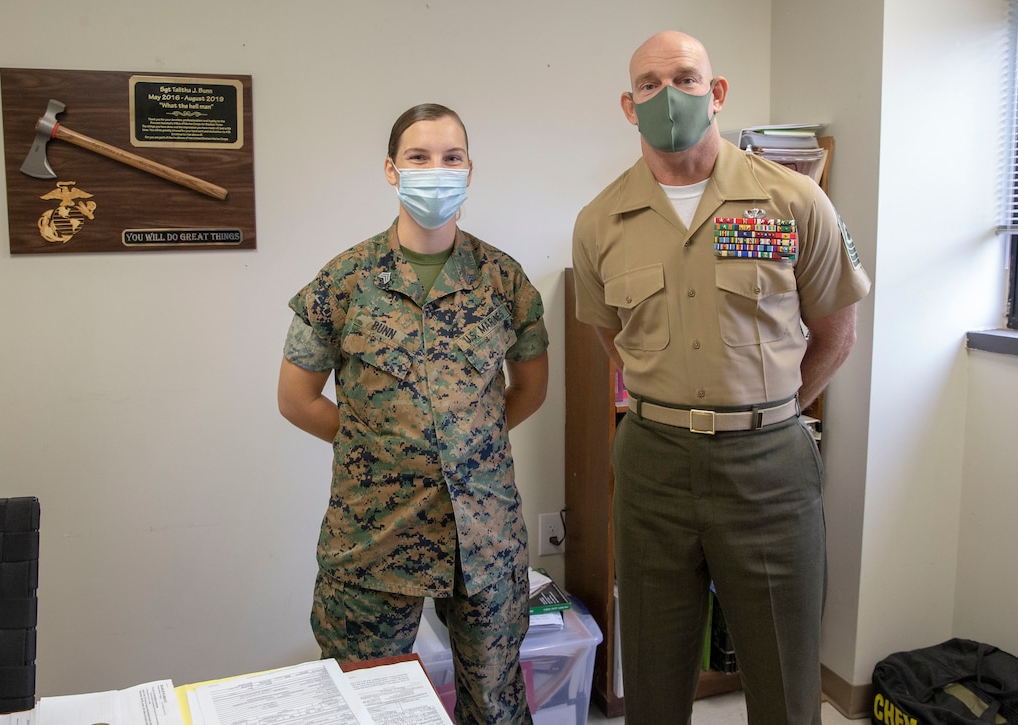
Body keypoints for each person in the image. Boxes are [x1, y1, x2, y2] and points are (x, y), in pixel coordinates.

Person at [571, 31, 871, 725]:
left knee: (786, 679)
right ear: (628, 104)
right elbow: (614, 339)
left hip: (769, 466)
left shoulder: (793, 202)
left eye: (684, 77)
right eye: (648, 85)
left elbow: (837, 334)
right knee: (652, 675)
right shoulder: (599, 222)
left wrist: (766, 411)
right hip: (653, 465)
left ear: (718, 92)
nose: (666, 95)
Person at [278, 102, 549, 725]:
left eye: (451, 157)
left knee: (497, 706)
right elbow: (296, 399)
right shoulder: (343, 282)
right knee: (367, 707)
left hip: (483, 536)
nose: (436, 169)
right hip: (374, 535)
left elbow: (529, 391)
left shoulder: (504, 281)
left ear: (470, 170)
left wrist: (464, 448)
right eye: (419, 157)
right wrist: (374, 448)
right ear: (391, 170)